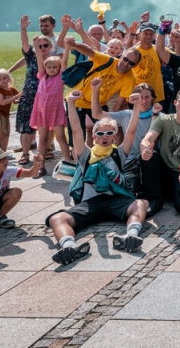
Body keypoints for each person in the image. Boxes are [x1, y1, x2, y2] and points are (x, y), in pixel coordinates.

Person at [46, 88, 148, 267]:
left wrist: (137, 105)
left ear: (115, 136)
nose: (105, 137)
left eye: (110, 133)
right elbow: (76, 130)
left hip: (116, 199)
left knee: (142, 203)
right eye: (100, 134)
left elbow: (131, 131)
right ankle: (69, 247)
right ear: (94, 137)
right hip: (90, 203)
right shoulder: (85, 154)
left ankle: (131, 235)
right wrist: (70, 103)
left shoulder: (119, 153)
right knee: (57, 218)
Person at [29, 36, 72, 170]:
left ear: (59, 69)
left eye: (54, 67)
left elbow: (64, 61)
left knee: (61, 138)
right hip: (41, 111)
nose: (51, 69)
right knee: (43, 139)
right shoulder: (42, 75)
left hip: (56, 111)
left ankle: (69, 164)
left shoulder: (61, 77)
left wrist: (67, 48)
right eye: (49, 67)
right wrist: (36, 46)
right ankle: (40, 166)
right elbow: (39, 59)